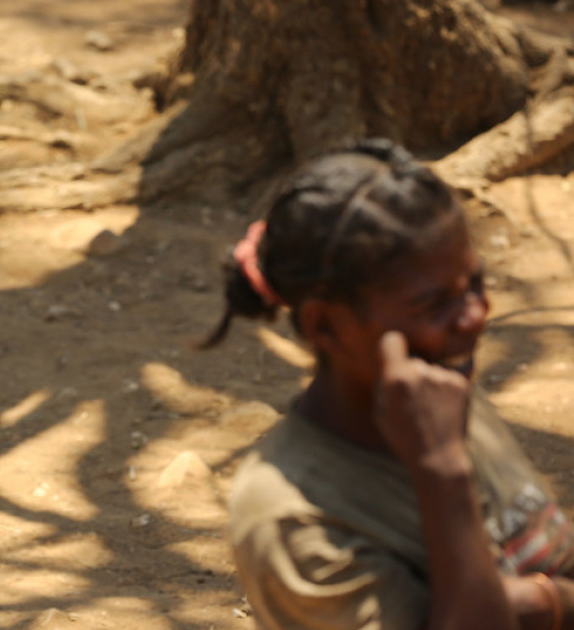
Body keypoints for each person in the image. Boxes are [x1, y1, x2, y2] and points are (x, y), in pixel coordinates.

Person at [204, 139, 574, 630]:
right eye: (433, 305)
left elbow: (550, 559)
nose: (475, 316)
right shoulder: (290, 519)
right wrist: (441, 469)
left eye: (476, 284)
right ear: (325, 327)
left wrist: (536, 600)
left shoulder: (438, 386)